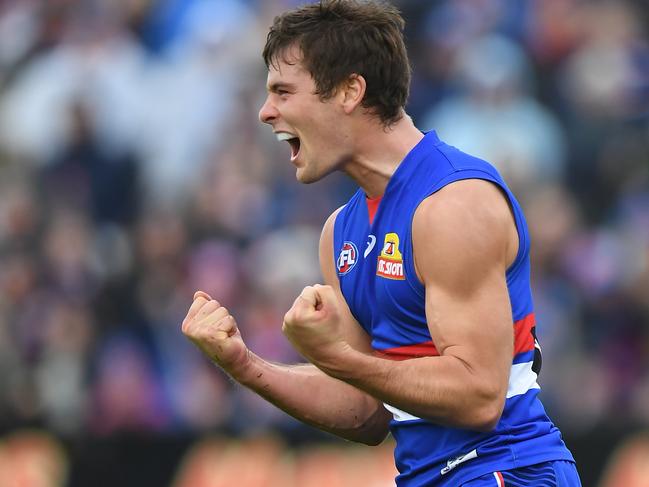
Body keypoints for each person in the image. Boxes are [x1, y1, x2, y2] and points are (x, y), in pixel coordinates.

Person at [181, 1, 582, 485]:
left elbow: (479, 396)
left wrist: (338, 358)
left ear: (350, 90)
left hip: (506, 470)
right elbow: (367, 412)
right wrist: (244, 364)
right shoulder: (340, 232)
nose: (266, 112)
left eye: (283, 92)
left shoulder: (453, 203)